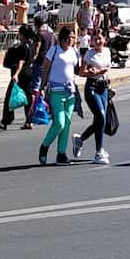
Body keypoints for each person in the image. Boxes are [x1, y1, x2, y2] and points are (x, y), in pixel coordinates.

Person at [39, 25, 80, 166]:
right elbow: (45, 70)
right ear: (61, 39)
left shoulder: (74, 52)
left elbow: (76, 70)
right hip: (56, 91)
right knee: (59, 123)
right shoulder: (54, 50)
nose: (70, 40)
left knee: (67, 124)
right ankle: (44, 146)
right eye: (68, 38)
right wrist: (41, 87)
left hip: (70, 92)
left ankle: (61, 154)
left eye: (73, 38)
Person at [72, 28, 113, 165]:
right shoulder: (89, 54)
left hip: (104, 88)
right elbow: (81, 72)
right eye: (95, 39)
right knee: (100, 116)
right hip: (92, 88)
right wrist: (95, 71)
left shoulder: (107, 52)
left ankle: (80, 140)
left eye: (100, 38)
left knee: (99, 121)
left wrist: (110, 86)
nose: (98, 41)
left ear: (104, 40)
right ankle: (98, 151)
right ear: (92, 41)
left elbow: (107, 71)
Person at [0, 24, 37, 130]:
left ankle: (6, 120)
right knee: (28, 98)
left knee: (9, 97)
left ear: (22, 35)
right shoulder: (31, 45)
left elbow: (21, 62)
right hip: (29, 73)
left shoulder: (22, 47)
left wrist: (16, 74)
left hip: (21, 74)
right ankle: (29, 121)